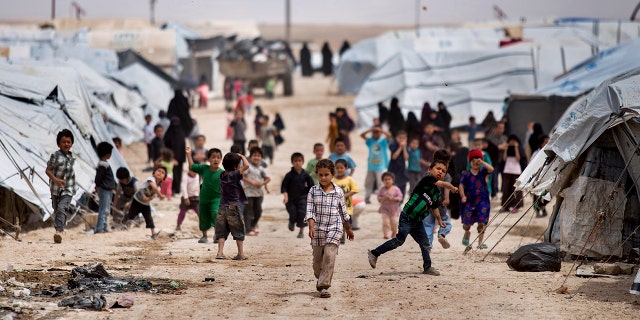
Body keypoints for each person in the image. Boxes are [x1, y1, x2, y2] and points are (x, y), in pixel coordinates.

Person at [367, 160, 458, 276]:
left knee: (425, 244)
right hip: (407, 216)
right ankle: (374, 253)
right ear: (430, 170)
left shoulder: (436, 194)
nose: (440, 171)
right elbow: (444, 184)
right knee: (400, 240)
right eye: (438, 168)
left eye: (443, 171)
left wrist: (439, 220)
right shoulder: (427, 179)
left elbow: (435, 207)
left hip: (417, 221)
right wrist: (452, 187)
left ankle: (427, 267)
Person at [305, 159, 354, 298]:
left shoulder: (338, 192)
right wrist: (311, 226)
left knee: (329, 254)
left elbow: (343, 212)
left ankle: (324, 286)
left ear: (332, 174)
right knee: (317, 262)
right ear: (317, 175)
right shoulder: (313, 191)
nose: (323, 178)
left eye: (326, 174)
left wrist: (348, 229)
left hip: (335, 227)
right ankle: (320, 276)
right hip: (318, 229)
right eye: (320, 175)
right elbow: (310, 210)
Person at [215, 152, 250, 260]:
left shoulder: (222, 175)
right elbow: (247, 166)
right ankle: (240, 254)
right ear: (235, 167)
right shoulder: (234, 175)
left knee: (222, 231)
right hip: (233, 207)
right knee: (238, 230)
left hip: (222, 207)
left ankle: (220, 253)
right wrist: (242, 157)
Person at [186, 146, 224, 244]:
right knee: (203, 216)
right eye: (213, 157)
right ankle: (204, 236)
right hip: (203, 198)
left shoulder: (222, 173)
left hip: (216, 198)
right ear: (208, 159)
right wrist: (188, 154)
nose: (216, 159)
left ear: (221, 159)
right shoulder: (204, 168)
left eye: (218, 157)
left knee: (215, 214)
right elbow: (192, 166)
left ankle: (217, 235)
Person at [45, 129, 77, 244]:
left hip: (68, 188)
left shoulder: (71, 157)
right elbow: (48, 171)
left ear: (71, 143)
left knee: (61, 208)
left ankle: (58, 232)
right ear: (59, 143)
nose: (66, 144)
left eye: (69, 142)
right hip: (55, 188)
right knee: (56, 208)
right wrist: (56, 180)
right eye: (63, 142)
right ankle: (59, 228)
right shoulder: (55, 156)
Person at [459, 149, 495, 249]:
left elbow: (491, 169)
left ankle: (480, 243)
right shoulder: (465, 174)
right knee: (467, 223)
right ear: (470, 162)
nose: (475, 163)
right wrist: (463, 196)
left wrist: (482, 162)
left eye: (477, 160)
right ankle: (467, 232)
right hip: (469, 201)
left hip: (482, 200)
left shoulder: (483, 172)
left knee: (482, 221)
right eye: (473, 160)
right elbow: (461, 186)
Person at [122, 166, 166, 240]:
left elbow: (152, 197)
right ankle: (126, 218)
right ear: (153, 173)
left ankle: (153, 233)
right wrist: (160, 195)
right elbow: (153, 187)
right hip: (137, 200)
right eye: (158, 171)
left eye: (162, 173)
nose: (160, 173)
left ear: (163, 178)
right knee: (132, 214)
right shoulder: (151, 179)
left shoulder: (159, 188)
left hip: (145, 204)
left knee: (148, 217)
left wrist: (147, 198)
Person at [422, 149, 454, 249]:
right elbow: (447, 188)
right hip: (440, 205)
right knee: (446, 221)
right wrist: (447, 199)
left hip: (427, 205)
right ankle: (442, 234)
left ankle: (428, 245)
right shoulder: (446, 175)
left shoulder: (428, 174)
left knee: (428, 225)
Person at [281, 152, 315, 238]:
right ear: (292, 162)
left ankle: (301, 231)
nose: (297, 162)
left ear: (303, 162)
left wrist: (311, 197)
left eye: (299, 160)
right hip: (291, 199)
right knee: (293, 214)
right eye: (295, 161)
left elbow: (312, 186)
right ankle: (291, 221)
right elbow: (284, 187)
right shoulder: (289, 175)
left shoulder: (306, 174)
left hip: (303, 198)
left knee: (302, 214)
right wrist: (285, 196)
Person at [243, 147, 271, 236]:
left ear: (261, 157)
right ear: (250, 157)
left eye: (258, 156)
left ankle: (253, 225)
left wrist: (262, 183)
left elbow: (268, 178)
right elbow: (242, 176)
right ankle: (247, 230)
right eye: (254, 155)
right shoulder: (248, 167)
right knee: (248, 212)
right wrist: (252, 182)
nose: (256, 157)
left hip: (259, 194)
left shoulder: (261, 169)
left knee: (258, 211)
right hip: (248, 193)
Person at [361, 125, 391, 203]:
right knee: (369, 183)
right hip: (370, 166)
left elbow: (389, 136)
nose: (376, 133)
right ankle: (367, 198)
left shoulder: (383, 141)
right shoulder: (370, 141)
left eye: (377, 132)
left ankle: (381, 199)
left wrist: (381, 130)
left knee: (380, 183)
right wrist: (370, 130)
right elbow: (362, 135)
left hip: (380, 166)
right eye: (374, 132)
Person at [332, 159, 360, 235]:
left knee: (347, 221)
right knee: (336, 222)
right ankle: (341, 235)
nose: (339, 170)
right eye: (337, 168)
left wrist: (345, 195)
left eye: (341, 168)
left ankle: (343, 234)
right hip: (335, 207)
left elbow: (355, 190)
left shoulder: (349, 179)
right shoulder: (333, 180)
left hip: (347, 207)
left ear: (346, 168)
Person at [94, 142, 117, 234]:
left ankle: (104, 227)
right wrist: (97, 185)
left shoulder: (103, 163)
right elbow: (98, 178)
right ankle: (100, 228)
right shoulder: (103, 164)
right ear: (108, 154)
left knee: (106, 209)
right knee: (104, 209)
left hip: (107, 189)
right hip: (105, 189)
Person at [501, 134, 525, 213]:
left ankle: (516, 206)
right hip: (507, 170)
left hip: (516, 171)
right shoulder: (508, 148)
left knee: (516, 190)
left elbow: (518, 158)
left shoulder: (518, 148)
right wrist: (506, 148)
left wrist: (516, 147)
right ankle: (505, 206)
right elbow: (504, 159)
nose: (512, 142)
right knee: (506, 189)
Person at [163, 117, 187, 195]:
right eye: (174, 123)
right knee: (170, 173)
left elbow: (183, 146)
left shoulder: (181, 133)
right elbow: (166, 146)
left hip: (180, 158)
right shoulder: (168, 134)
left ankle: (177, 189)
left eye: (177, 123)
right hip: (169, 159)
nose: (175, 125)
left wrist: (181, 158)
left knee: (178, 174)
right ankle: (171, 189)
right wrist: (171, 158)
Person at [377, 172, 403, 239]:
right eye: (385, 179)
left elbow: (400, 197)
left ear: (392, 180)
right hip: (384, 209)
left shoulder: (396, 189)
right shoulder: (382, 190)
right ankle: (386, 233)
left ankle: (394, 232)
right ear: (383, 181)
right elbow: (378, 198)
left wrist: (393, 198)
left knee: (394, 222)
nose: (387, 181)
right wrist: (383, 198)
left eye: (389, 179)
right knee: (385, 222)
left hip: (394, 210)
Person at [176, 166, 200, 231]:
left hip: (195, 197)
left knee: (199, 211)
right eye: (193, 171)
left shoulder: (197, 176)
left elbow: (198, 185)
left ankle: (203, 225)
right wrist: (186, 198)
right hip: (186, 197)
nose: (194, 173)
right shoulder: (185, 177)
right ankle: (178, 225)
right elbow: (183, 188)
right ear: (189, 170)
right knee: (182, 212)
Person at [388, 130, 409, 198]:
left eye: (404, 138)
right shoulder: (393, 145)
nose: (402, 140)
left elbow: (406, 158)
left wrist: (404, 148)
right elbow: (394, 156)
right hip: (393, 169)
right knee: (393, 185)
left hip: (402, 170)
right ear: (396, 138)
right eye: (400, 138)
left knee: (402, 186)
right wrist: (400, 147)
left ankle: (400, 201)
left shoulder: (407, 146)